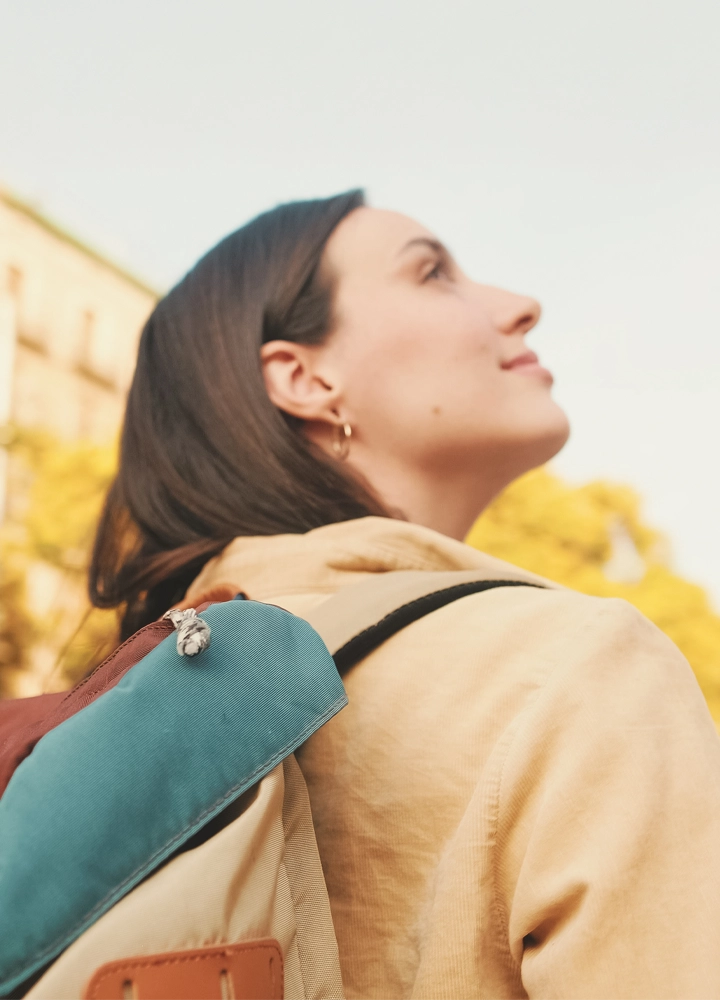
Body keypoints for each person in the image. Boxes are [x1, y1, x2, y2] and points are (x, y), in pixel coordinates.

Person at [90, 191, 720, 999]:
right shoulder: (578, 668)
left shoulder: (143, 684)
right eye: (432, 273)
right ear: (303, 376)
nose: (522, 307)